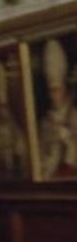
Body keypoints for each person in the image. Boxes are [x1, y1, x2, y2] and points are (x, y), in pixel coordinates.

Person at [39, 39, 77, 179]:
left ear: (64, 89)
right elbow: (41, 155)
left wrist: (68, 141)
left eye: (57, 90)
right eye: (51, 91)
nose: (54, 95)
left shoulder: (74, 115)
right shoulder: (46, 122)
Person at [0, 59, 26, 176]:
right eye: (0, 107)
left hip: (12, 159)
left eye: (4, 107)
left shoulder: (13, 123)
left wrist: (17, 151)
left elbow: (20, 143)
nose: (2, 111)